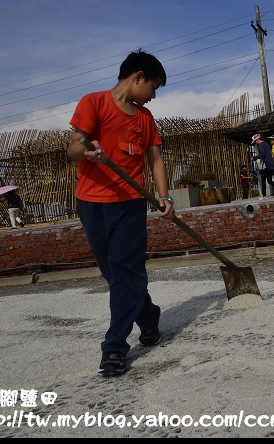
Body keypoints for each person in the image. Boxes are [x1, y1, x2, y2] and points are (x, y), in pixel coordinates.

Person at [66, 48, 175, 376]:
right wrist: (88, 153)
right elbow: (72, 147)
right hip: (92, 203)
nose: (153, 96)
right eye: (153, 87)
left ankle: (114, 347)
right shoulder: (93, 103)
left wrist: (164, 196)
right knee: (114, 275)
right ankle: (149, 316)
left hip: (129, 204)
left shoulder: (145, 119)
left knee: (127, 273)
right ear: (138, 77)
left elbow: (155, 159)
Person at [251, 133, 274, 200]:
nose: (255, 143)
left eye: (255, 141)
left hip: (264, 165)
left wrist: (254, 157)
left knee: (263, 180)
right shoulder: (266, 144)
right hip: (269, 164)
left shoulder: (260, 145)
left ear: (258, 139)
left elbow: (262, 154)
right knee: (270, 180)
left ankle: (264, 195)